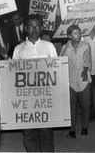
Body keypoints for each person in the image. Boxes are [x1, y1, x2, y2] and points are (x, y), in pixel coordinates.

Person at [12, 14, 57, 152]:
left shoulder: (49, 47)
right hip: (26, 99)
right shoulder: (19, 49)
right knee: (29, 133)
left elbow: (56, 71)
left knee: (46, 131)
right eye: (30, 26)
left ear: (42, 28)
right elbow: (12, 74)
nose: (34, 28)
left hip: (45, 97)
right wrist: (6, 59)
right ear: (26, 28)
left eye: (37, 25)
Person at [60, 25, 92, 138]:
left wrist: (85, 70)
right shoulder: (65, 47)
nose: (78, 35)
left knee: (85, 105)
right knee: (71, 106)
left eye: (79, 33)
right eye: (75, 33)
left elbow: (88, 61)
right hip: (70, 80)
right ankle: (72, 130)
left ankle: (84, 127)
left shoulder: (86, 46)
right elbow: (61, 62)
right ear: (69, 36)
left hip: (83, 80)